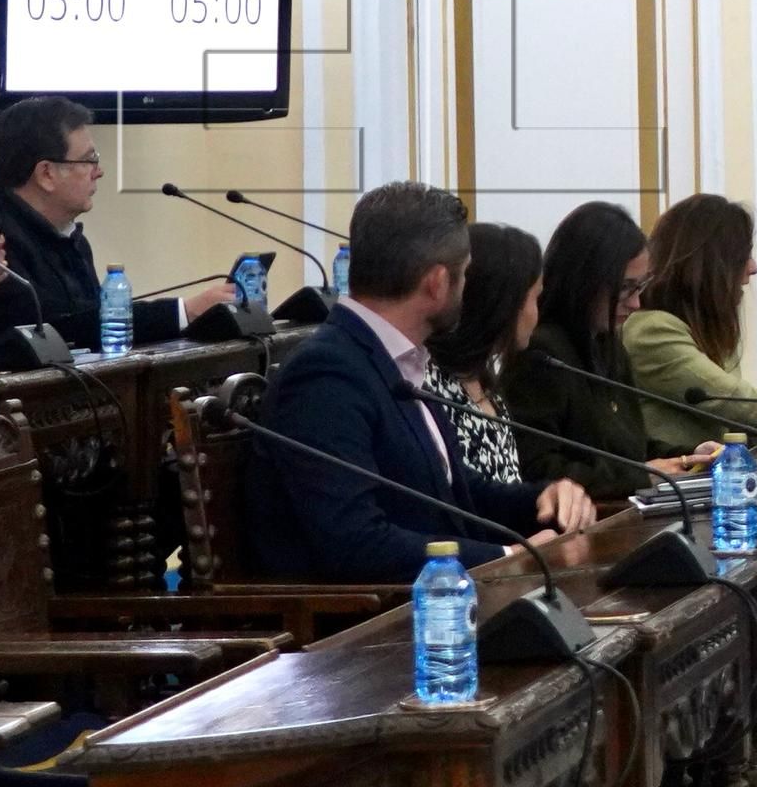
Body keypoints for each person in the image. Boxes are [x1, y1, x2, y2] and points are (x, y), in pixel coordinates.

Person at [238, 183, 592, 583]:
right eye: (464, 274)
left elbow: (453, 492)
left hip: (434, 603)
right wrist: (508, 556)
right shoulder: (325, 375)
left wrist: (542, 499)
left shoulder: (396, 357)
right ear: (438, 283)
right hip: (369, 625)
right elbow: (353, 541)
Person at [0, 96, 227, 351]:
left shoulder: (65, 232)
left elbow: (88, 325)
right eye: (89, 160)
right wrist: (185, 312)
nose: (98, 171)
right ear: (47, 173)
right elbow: (48, 331)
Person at [616, 193, 757, 457]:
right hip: (677, 485)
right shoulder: (651, 330)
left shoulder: (704, 326)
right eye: (743, 256)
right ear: (709, 265)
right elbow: (737, 401)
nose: (753, 267)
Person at [512, 200, 665, 510]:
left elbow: (629, 447)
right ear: (584, 280)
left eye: (641, 286)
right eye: (625, 287)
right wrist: (640, 476)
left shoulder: (607, 342)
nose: (636, 303)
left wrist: (690, 458)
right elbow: (539, 468)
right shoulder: (542, 353)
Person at [418, 221, 550, 495]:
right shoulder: (428, 388)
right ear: (503, 304)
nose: (538, 313)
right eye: (535, 298)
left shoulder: (485, 383)